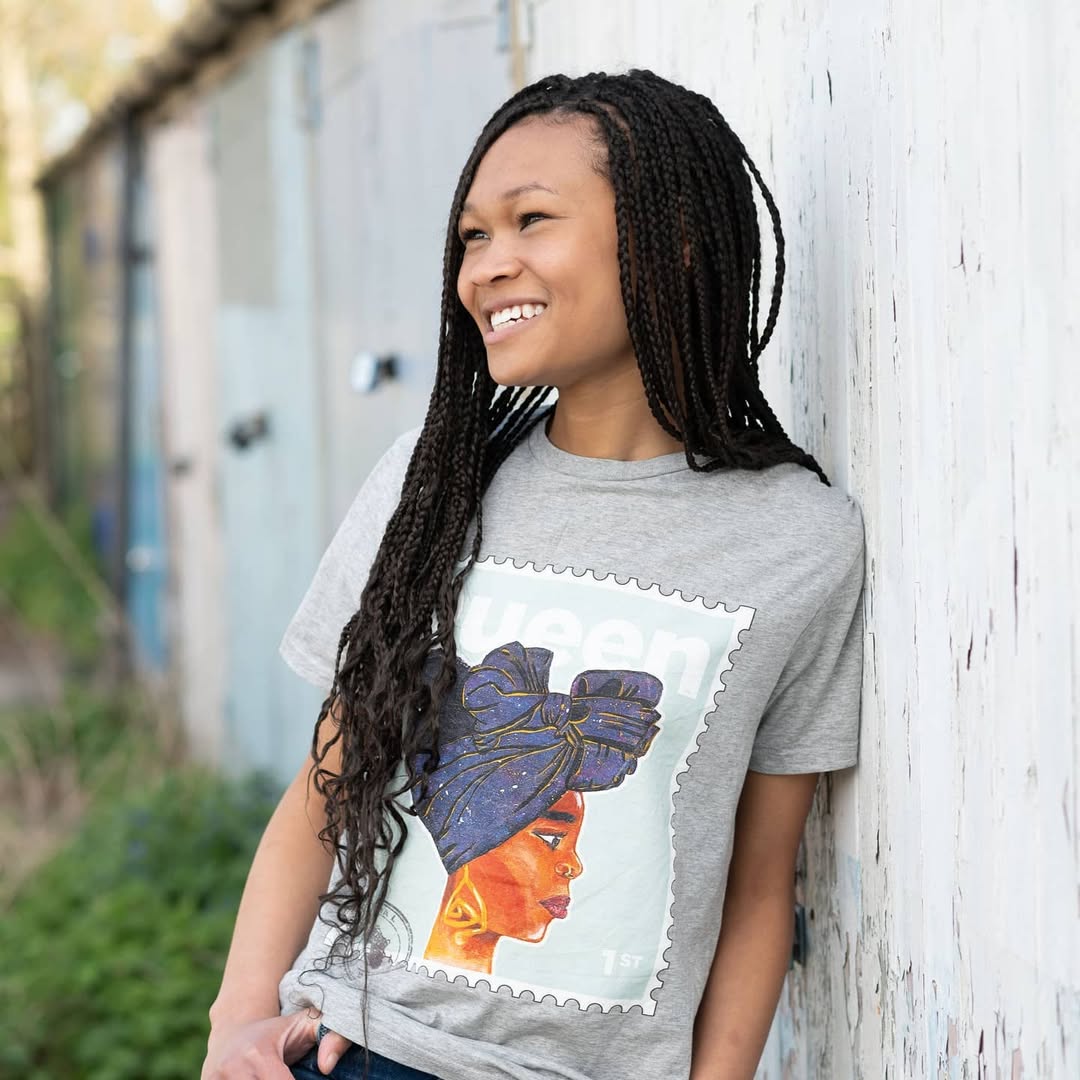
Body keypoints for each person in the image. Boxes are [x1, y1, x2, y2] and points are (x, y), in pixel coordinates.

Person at [202, 69, 866, 1080]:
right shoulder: (433, 487)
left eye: (531, 222)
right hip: (362, 1052)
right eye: (474, 236)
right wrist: (235, 1025)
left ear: (670, 239)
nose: (486, 267)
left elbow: (760, 887)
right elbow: (326, 786)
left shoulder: (799, 541)